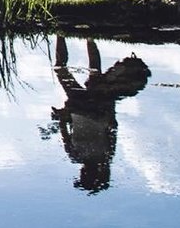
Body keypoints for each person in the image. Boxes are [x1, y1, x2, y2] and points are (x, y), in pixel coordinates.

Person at [49, 35, 150, 192]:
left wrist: (109, 104)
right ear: (84, 173)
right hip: (79, 106)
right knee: (61, 68)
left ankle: (89, 38)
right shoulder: (75, 155)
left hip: (98, 108)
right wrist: (64, 113)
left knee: (94, 72)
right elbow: (63, 125)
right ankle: (61, 34)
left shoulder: (106, 156)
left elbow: (113, 126)